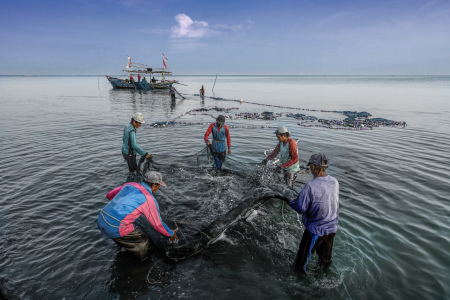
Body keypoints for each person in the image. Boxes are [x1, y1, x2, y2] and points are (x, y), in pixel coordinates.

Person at [97, 171, 179, 261]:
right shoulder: (148, 199)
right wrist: (171, 233)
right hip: (115, 227)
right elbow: (157, 224)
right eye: (158, 186)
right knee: (143, 240)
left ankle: (125, 248)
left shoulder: (130, 184)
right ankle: (141, 264)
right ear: (154, 185)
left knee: (127, 234)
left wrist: (121, 206)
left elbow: (109, 195)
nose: (158, 188)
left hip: (101, 218)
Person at [286, 154, 339, 273]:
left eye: (311, 167)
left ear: (314, 167)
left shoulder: (310, 186)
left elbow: (301, 208)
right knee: (325, 262)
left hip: (315, 231)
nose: (310, 169)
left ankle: (300, 284)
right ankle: (325, 276)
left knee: (300, 264)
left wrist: (289, 201)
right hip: (332, 229)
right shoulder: (334, 182)